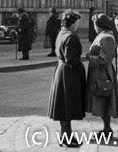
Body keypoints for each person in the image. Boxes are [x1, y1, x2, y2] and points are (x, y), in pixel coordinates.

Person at [48, 10, 87, 147]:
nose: (78, 25)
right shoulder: (71, 36)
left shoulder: (61, 33)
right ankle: (66, 137)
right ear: (71, 23)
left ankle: (66, 135)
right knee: (67, 107)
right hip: (69, 75)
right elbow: (71, 59)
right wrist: (79, 67)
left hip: (61, 71)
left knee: (64, 107)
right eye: (77, 22)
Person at [86, 13, 118, 141]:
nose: (94, 27)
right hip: (98, 73)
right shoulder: (102, 35)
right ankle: (106, 128)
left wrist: (90, 58)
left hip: (103, 74)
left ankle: (107, 129)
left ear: (99, 25)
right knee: (100, 102)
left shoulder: (107, 38)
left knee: (104, 101)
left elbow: (105, 60)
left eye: (94, 24)